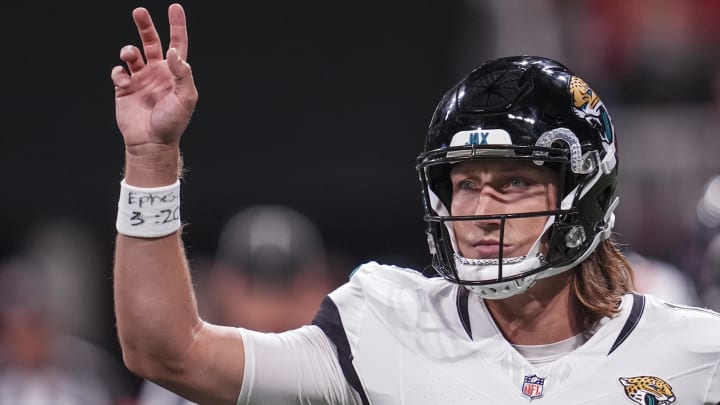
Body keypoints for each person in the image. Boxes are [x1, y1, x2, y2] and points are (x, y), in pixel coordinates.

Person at [111, 4, 720, 404]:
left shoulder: (696, 354)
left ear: (585, 194)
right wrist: (151, 161)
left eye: (512, 183)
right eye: (464, 183)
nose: (481, 209)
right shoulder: (384, 324)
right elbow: (168, 350)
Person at [137, 205, 335, 405]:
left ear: (321, 289)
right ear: (221, 287)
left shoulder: (342, 374)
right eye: (256, 288)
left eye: (287, 290)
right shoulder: (179, 381)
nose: (271, 308)